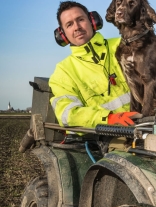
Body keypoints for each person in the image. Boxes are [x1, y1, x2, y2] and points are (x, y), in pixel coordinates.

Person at [49, 1, 139, 129]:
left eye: (80, 19)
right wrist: (108, 118)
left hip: (148, 122)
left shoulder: (124, 45)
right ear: (62, 35)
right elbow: (67, 114)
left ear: (93, 21)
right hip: (107, 135)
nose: (77, 27)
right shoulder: (63, 72)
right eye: (69, 24)